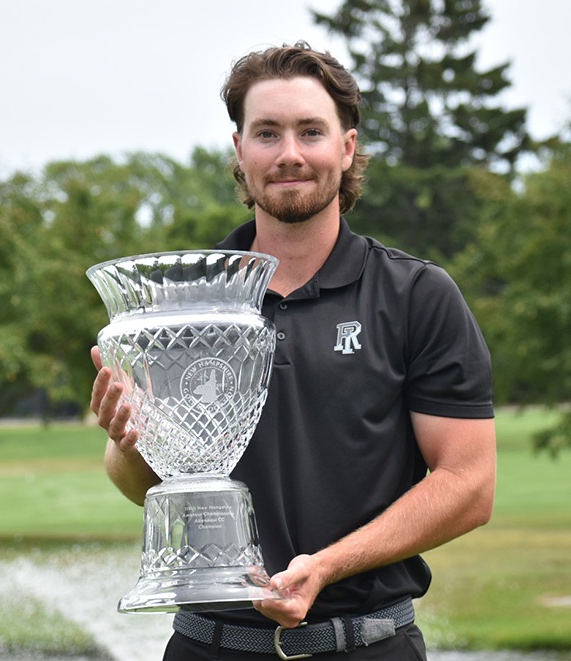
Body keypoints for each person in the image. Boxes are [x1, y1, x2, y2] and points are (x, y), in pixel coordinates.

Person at [90, 41, 496, 660]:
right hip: (209, 645)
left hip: (367, 644)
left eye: (311, 131)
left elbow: (470, 484)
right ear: (239, 151)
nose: (290, 155)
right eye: (267, 133)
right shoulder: (181, 306)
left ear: (347, 146)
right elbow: (142, 482)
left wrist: (328, 566)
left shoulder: (416, 294)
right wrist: (128, 442)